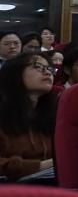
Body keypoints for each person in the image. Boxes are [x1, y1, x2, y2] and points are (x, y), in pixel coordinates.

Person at [0, 52, 56, 180]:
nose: (47, 73)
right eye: (38, 67)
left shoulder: (53, 113)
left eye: (49, 69)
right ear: (15, 73)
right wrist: (40, 166)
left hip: (51, 182)